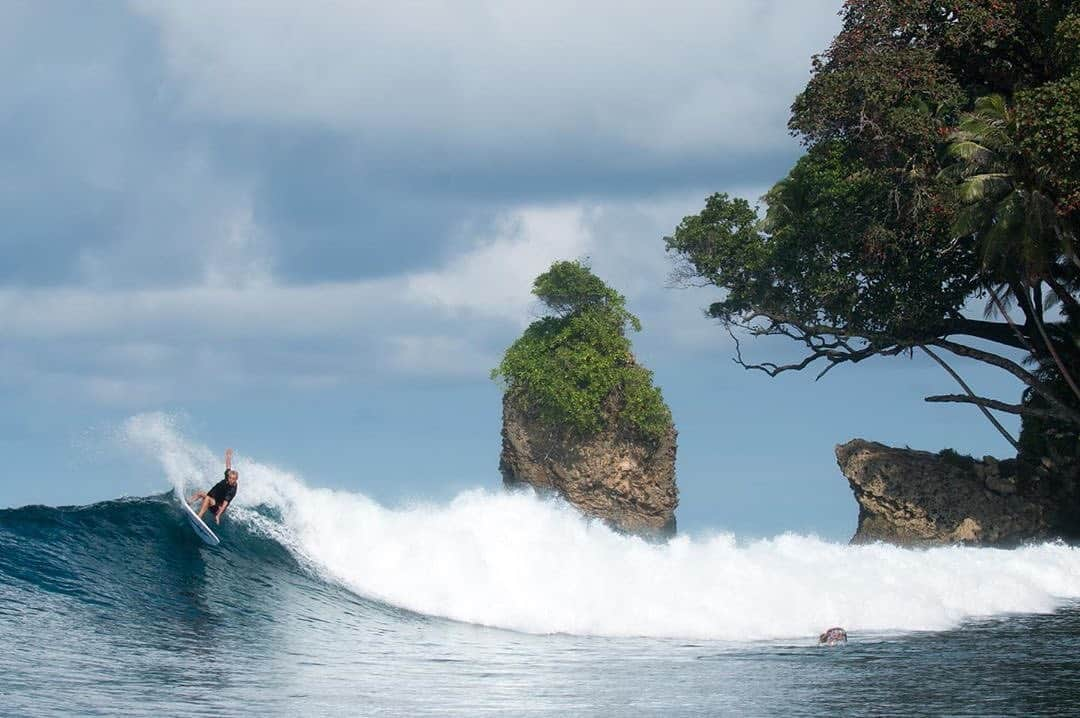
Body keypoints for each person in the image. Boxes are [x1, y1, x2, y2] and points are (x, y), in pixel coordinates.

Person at [190, 448, 239, 524]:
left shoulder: (232, 490)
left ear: (236, 479)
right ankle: (188, 503)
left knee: (207, 498)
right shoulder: (228, 476)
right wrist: (228, 456)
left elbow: (225, 503)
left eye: (233, 479)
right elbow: (228, 466)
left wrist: (218, 515)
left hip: (218, 507)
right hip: (215, 499)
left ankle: (199, 517)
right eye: (229, 478)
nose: (230, 480)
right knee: (200, 493)